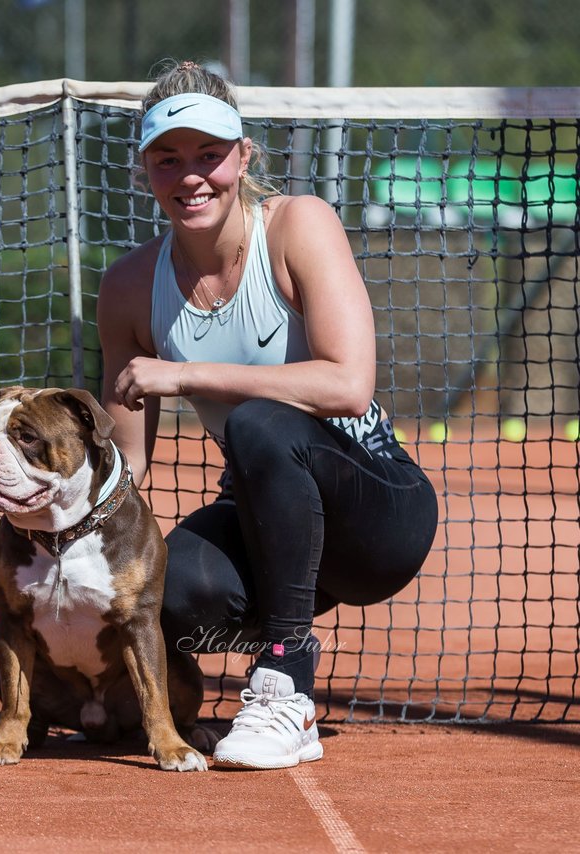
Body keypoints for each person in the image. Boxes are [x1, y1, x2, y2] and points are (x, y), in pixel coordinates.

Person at [97, 60, 438, 769]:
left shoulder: (298, 225)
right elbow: (124, 471)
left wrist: (184, 371)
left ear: (243, 156)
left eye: (209, 156)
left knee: (256, 421)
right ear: (144, 171)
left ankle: (285, 686)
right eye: (167, 160)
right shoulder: (129, 287)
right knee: (170, 586)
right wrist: (47, 520)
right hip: (273, 521)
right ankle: (253, 646)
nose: (191, 176)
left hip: (378, 516)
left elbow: (348, 384)